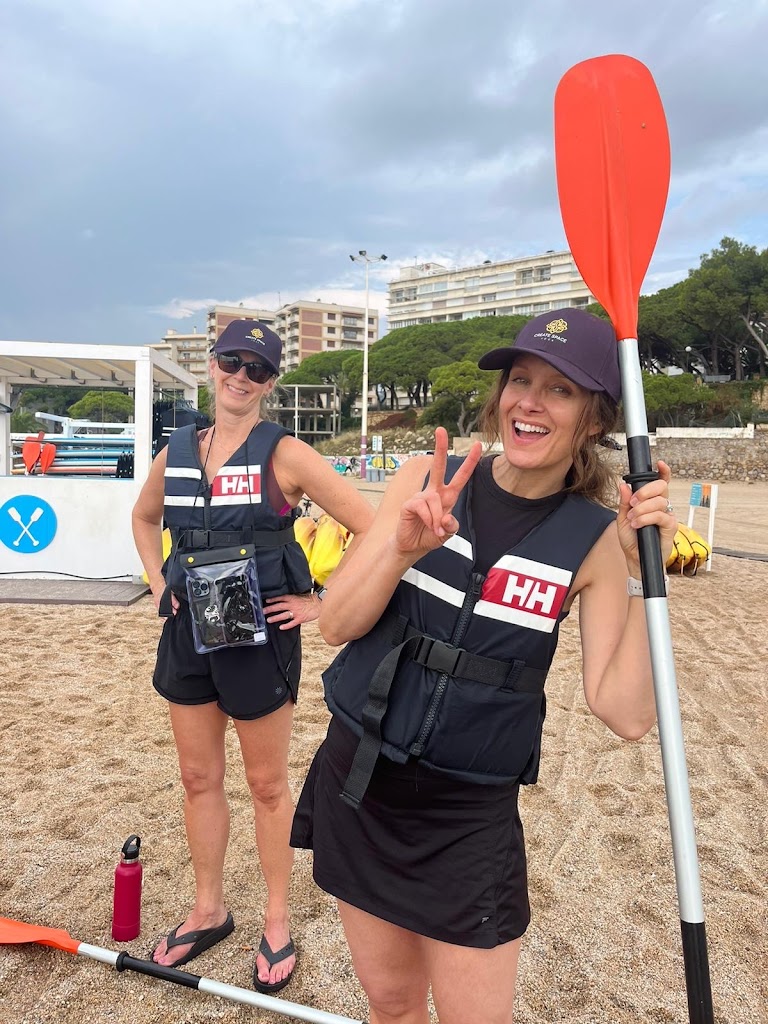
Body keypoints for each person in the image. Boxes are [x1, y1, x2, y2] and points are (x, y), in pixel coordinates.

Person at [291, 308, 678, 1024]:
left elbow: (624, 713)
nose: (528, 402)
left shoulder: (596, 539)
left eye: (560, 390)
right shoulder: (424, 478)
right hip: (360, 782)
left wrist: (642, 571)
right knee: (392, 1005)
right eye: (519, 381)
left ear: (593, 419)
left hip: (466, 816)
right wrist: (399, 549)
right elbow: (336, 625)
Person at [132, 319, 373, 993]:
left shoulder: (286, 454)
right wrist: (156, 581)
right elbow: (144, 518)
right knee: (197, 778)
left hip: (260, 637)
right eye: (231, 361)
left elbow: (373, 527)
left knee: (267, 785)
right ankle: (209, 910)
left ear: (271, 383)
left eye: (257, 368)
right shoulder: (178, 450)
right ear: (212, 365)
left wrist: (321, 601)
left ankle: (276, 920)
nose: (241, 375)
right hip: (188, 632)